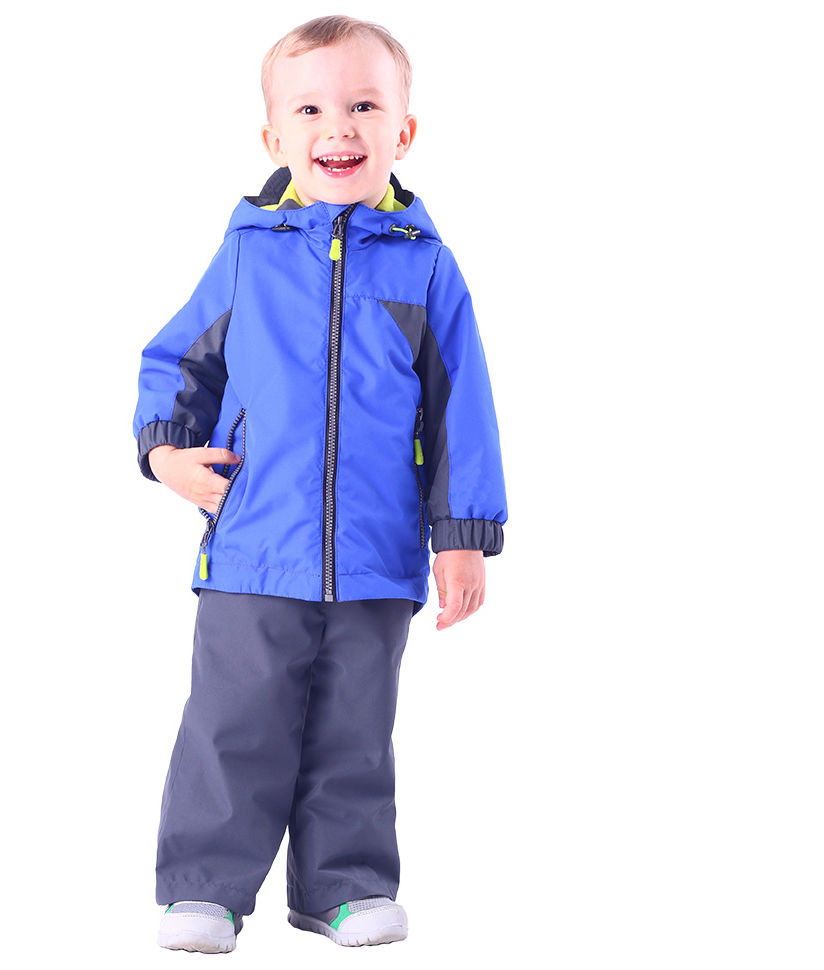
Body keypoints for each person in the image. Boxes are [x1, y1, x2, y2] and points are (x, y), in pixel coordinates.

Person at [133, 15, 507, 953]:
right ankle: (205, 889)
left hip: (377, 555)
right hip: (254, 545)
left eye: (364, 105)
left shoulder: (427, 267)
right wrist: (166, 452)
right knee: (233, 725)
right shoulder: (249, 252)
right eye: (310, 109)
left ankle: (345, 887)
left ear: (402, 132)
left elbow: (461, 408)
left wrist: (462, 535)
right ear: (274, 138)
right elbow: (179, 360)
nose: (338, 125)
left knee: (354, 733)